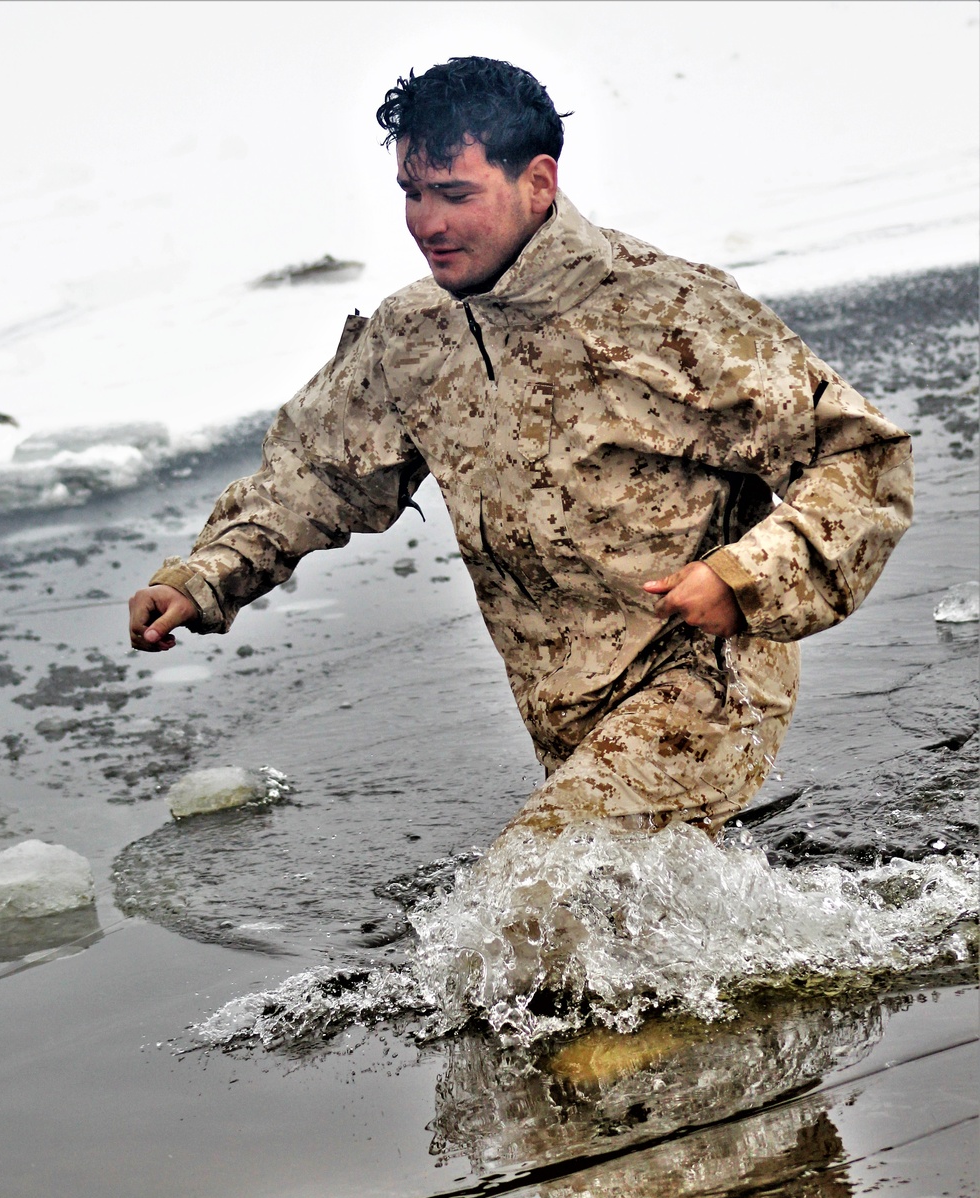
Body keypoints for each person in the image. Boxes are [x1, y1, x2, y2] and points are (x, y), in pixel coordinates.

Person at [128, 56, 912, 841]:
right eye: (412, 191)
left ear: (538, 182)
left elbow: (863, 460)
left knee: (523, 921)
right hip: (566, 714)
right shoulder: (414, 336)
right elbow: (316, 475)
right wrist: (207, 576)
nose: (426, 222)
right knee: (606, 942)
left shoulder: (669, 312)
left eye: (455, 193)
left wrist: (742, 579)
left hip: (705, 689)